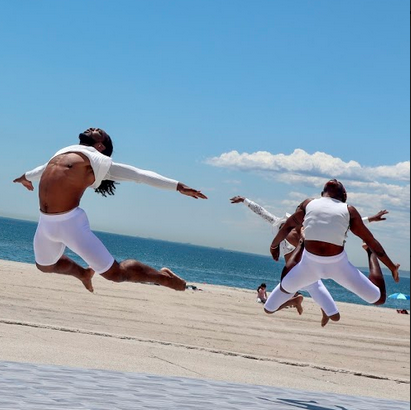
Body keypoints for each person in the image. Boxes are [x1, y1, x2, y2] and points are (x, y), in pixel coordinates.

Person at [14, 128, 207, 293]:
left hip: (70, 223)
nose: (92, 127)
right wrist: (25, 177)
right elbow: (42, 169)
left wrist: (178, 186)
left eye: (99, 131)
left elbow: (140, 175)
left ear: (101, 146)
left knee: (116, 273)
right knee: (45, 266)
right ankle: (83, 273)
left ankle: (165, 278)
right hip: (45, 222)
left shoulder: (98, 162)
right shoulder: (64, 153)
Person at [231, 196, 389, 326]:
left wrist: (371, 219)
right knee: (269, 307)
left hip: (311, 280)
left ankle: (312, 306)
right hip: (295, 279)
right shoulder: (280, 226)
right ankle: (295, 301)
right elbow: (261, 212)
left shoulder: (308, 231)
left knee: (335, 317)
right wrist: (245, 201)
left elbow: (342, 223)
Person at [264, 180, 400, 316]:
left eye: (337, 183)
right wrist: (274, 245)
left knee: (379, 298)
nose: (334, 180)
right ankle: (302, 246)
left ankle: (370, 254)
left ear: (343, 194)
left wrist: (391, 267)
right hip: (310, 264)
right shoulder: (310, 203)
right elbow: (287, 226)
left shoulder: (347, 210)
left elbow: (371, 241)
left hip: (337, 264)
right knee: (276, 298)